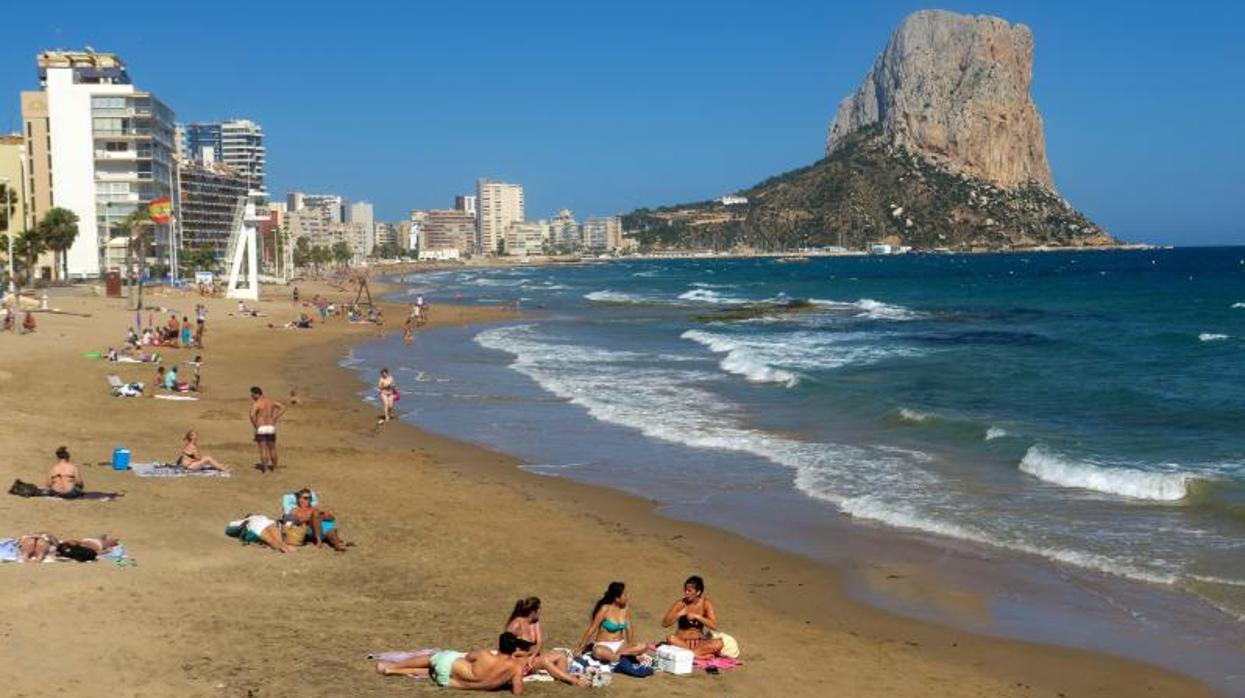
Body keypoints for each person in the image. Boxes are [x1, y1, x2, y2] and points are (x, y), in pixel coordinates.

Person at [376, 632, 530, 693]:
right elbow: (518, 691)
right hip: (447, 682)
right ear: (514, 648)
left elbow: (468, 657)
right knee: (431, 672)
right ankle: (395, 671)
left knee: (433, 657)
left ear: (500, 644)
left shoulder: (485, 655)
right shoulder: (515, 668)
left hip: (448, 668)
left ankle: (392, 667)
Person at [505, 597, 583, 686]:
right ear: (533, 611)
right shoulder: (516, 625)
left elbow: (539, 642)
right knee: (544, 661)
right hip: (518, 660)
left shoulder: (534, 622)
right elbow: (507, 650)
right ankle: (574, 681)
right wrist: (527, 654)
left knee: (561, 656)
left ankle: (563, 676)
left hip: (532, 657)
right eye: (539, 609)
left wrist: (532, 655)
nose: (541, 611)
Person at [575, 581, 647, 663]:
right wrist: (580, 648)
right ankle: (623, 657)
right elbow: (592, 629)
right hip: (603, 645)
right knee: (598, 651)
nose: (627, 597)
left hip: (620, 645)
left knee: (643, 646)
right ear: (616, 598)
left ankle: (619, 656)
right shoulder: (604, 609)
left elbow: (629, 628)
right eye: (625, 595)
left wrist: (631, 646)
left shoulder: (625, 608)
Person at [660, 575, 725, 658]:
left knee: (719, 643)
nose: (686, 593)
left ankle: (692, 655)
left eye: (689, 591)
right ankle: (697, 655)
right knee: (670, 638)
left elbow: (713, 625)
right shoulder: (680, 604)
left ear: (698, 592)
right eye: (685, 590)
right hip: (681, 642)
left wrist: (698, 617)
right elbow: (664, 623)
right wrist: (679, 614)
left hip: (699, 643)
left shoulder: (705, 604)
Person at [249, 386, 286, 472]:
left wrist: (256, 426)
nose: (251, 397)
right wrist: (276, 417)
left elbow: (252, 415)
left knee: (263, 449)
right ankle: (275, 467)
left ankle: (265, 468)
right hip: (270, 426)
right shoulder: (271, 401)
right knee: (272, 448)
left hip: (261, 427)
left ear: (256, 394)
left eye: (252, 395)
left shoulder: (257, 403)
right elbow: (283, 407)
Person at [225, 514, 292, 553]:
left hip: (257, 526)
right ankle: (289, 549)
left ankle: (284, 549)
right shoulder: (262, 516)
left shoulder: (248, 519)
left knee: (272, 542)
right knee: (280, 542)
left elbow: (229, 528)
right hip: (270, 523)